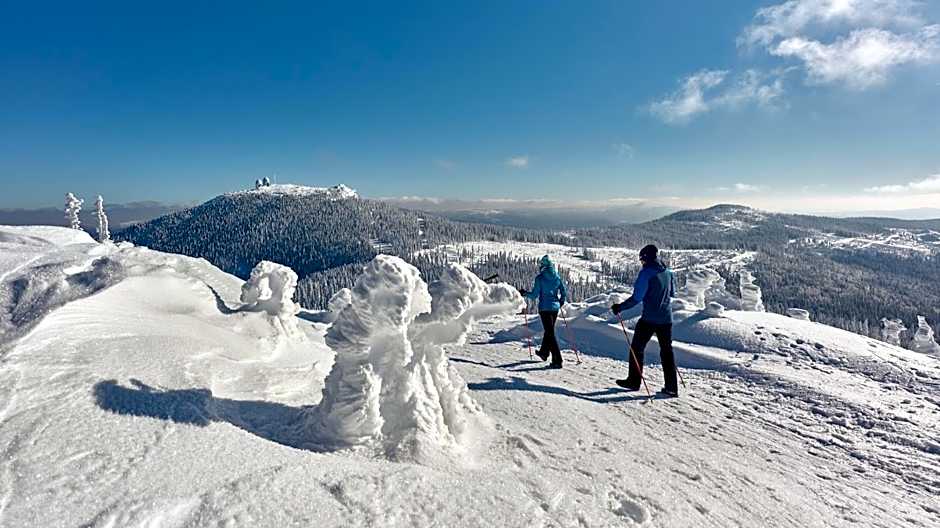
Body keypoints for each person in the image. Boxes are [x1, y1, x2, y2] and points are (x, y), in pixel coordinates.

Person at [610, 244, 679, 397]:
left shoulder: (646, 274)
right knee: (667, 351)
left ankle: (634, 381)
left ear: (646, 258)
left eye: (641, 260)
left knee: (637, 348)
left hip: (649, 318)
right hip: (667, 318)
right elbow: (673, 294)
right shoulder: (668, 272)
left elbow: (637, 298)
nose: (641, 263)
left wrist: (620, 307)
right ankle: (672, 387)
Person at [520, 255, 568, 369]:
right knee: (549, 331)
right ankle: (544, 352)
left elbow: (534, 295)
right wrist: (560, 302)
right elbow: (563, 292)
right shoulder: (557, 277)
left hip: (545, 308)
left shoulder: (540, 278)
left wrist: (524, 293)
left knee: (550, 333)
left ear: (543, 266)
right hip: (555, 309)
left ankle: (558, 360)